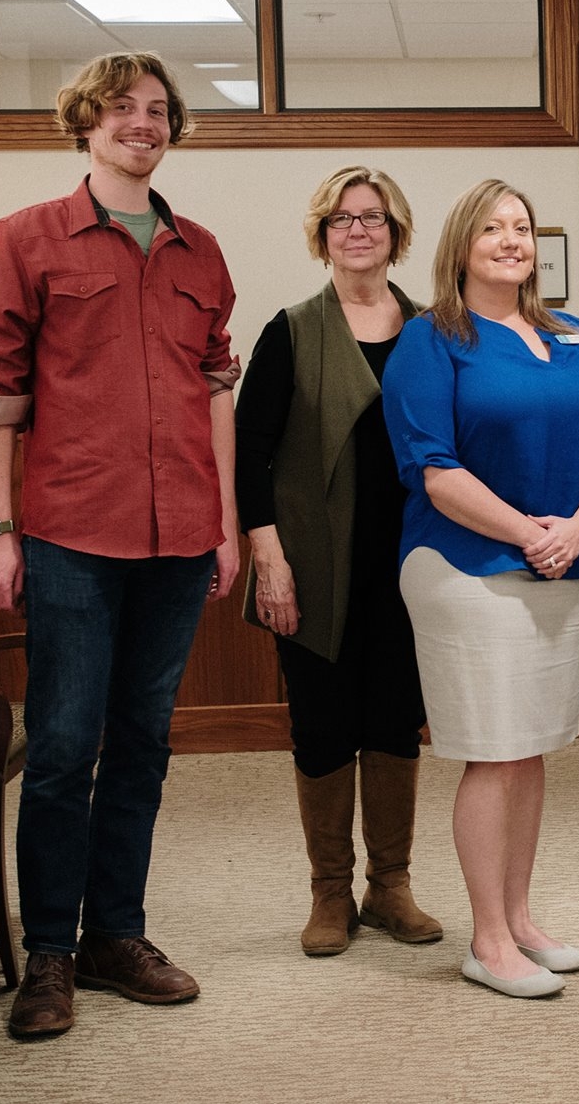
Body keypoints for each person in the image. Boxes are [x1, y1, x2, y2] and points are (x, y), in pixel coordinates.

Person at [0, 51, 240, 1039]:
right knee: (64, 748)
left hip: (177, 544)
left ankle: (115, 935)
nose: (143, 122)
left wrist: (226, 524)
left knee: (143, 747)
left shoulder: (199, 252)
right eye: (123, 108)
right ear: (85, 122)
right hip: (70, 538)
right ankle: (48, 955)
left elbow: (216, 397)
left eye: (159, 110)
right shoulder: (28, 239)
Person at [384, 178, 579, 1000]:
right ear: (461, 244)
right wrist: (530, 531)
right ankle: (486, 939)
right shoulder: (432, 339)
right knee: (493, 752)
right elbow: (433, 467)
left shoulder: (573, 333)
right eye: (491, 226)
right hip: (465, 567)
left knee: (529, 750)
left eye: (521, 226)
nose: (509, 239)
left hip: (567, 565)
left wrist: (577, 530)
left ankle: (520, 918)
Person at [234, 165, 440, 958]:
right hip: (313, 569)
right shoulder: (290, 330)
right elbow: (250, 456)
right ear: (322, 235)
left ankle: (390, 885)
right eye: (342, 219)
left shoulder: (431, 329)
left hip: (411, 565)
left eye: (374, 218)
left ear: (396, 233)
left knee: (395, 722)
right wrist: (269, 562)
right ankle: (329, 892)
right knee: (322, 724)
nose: (359, 230)